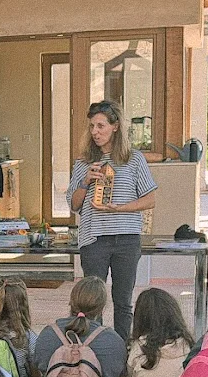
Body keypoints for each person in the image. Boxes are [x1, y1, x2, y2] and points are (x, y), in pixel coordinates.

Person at [66, 100, 158, 339]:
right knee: (92, 301)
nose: (95, 132)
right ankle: (94, 349)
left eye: (101, 126)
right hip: (94, 238)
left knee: (123, 300)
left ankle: (121, 349)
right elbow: (74, 205)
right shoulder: (83, 163)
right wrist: (85, 181)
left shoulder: (134, 159)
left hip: (126, 238)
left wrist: (121, 208)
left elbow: (150, 199)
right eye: (92, 127)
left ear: (115, 126)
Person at [32, 275, 129, 377]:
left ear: (71, 302)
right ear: (102, 308)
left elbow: (37, 374)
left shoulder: (48, 334)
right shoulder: (114, 341)